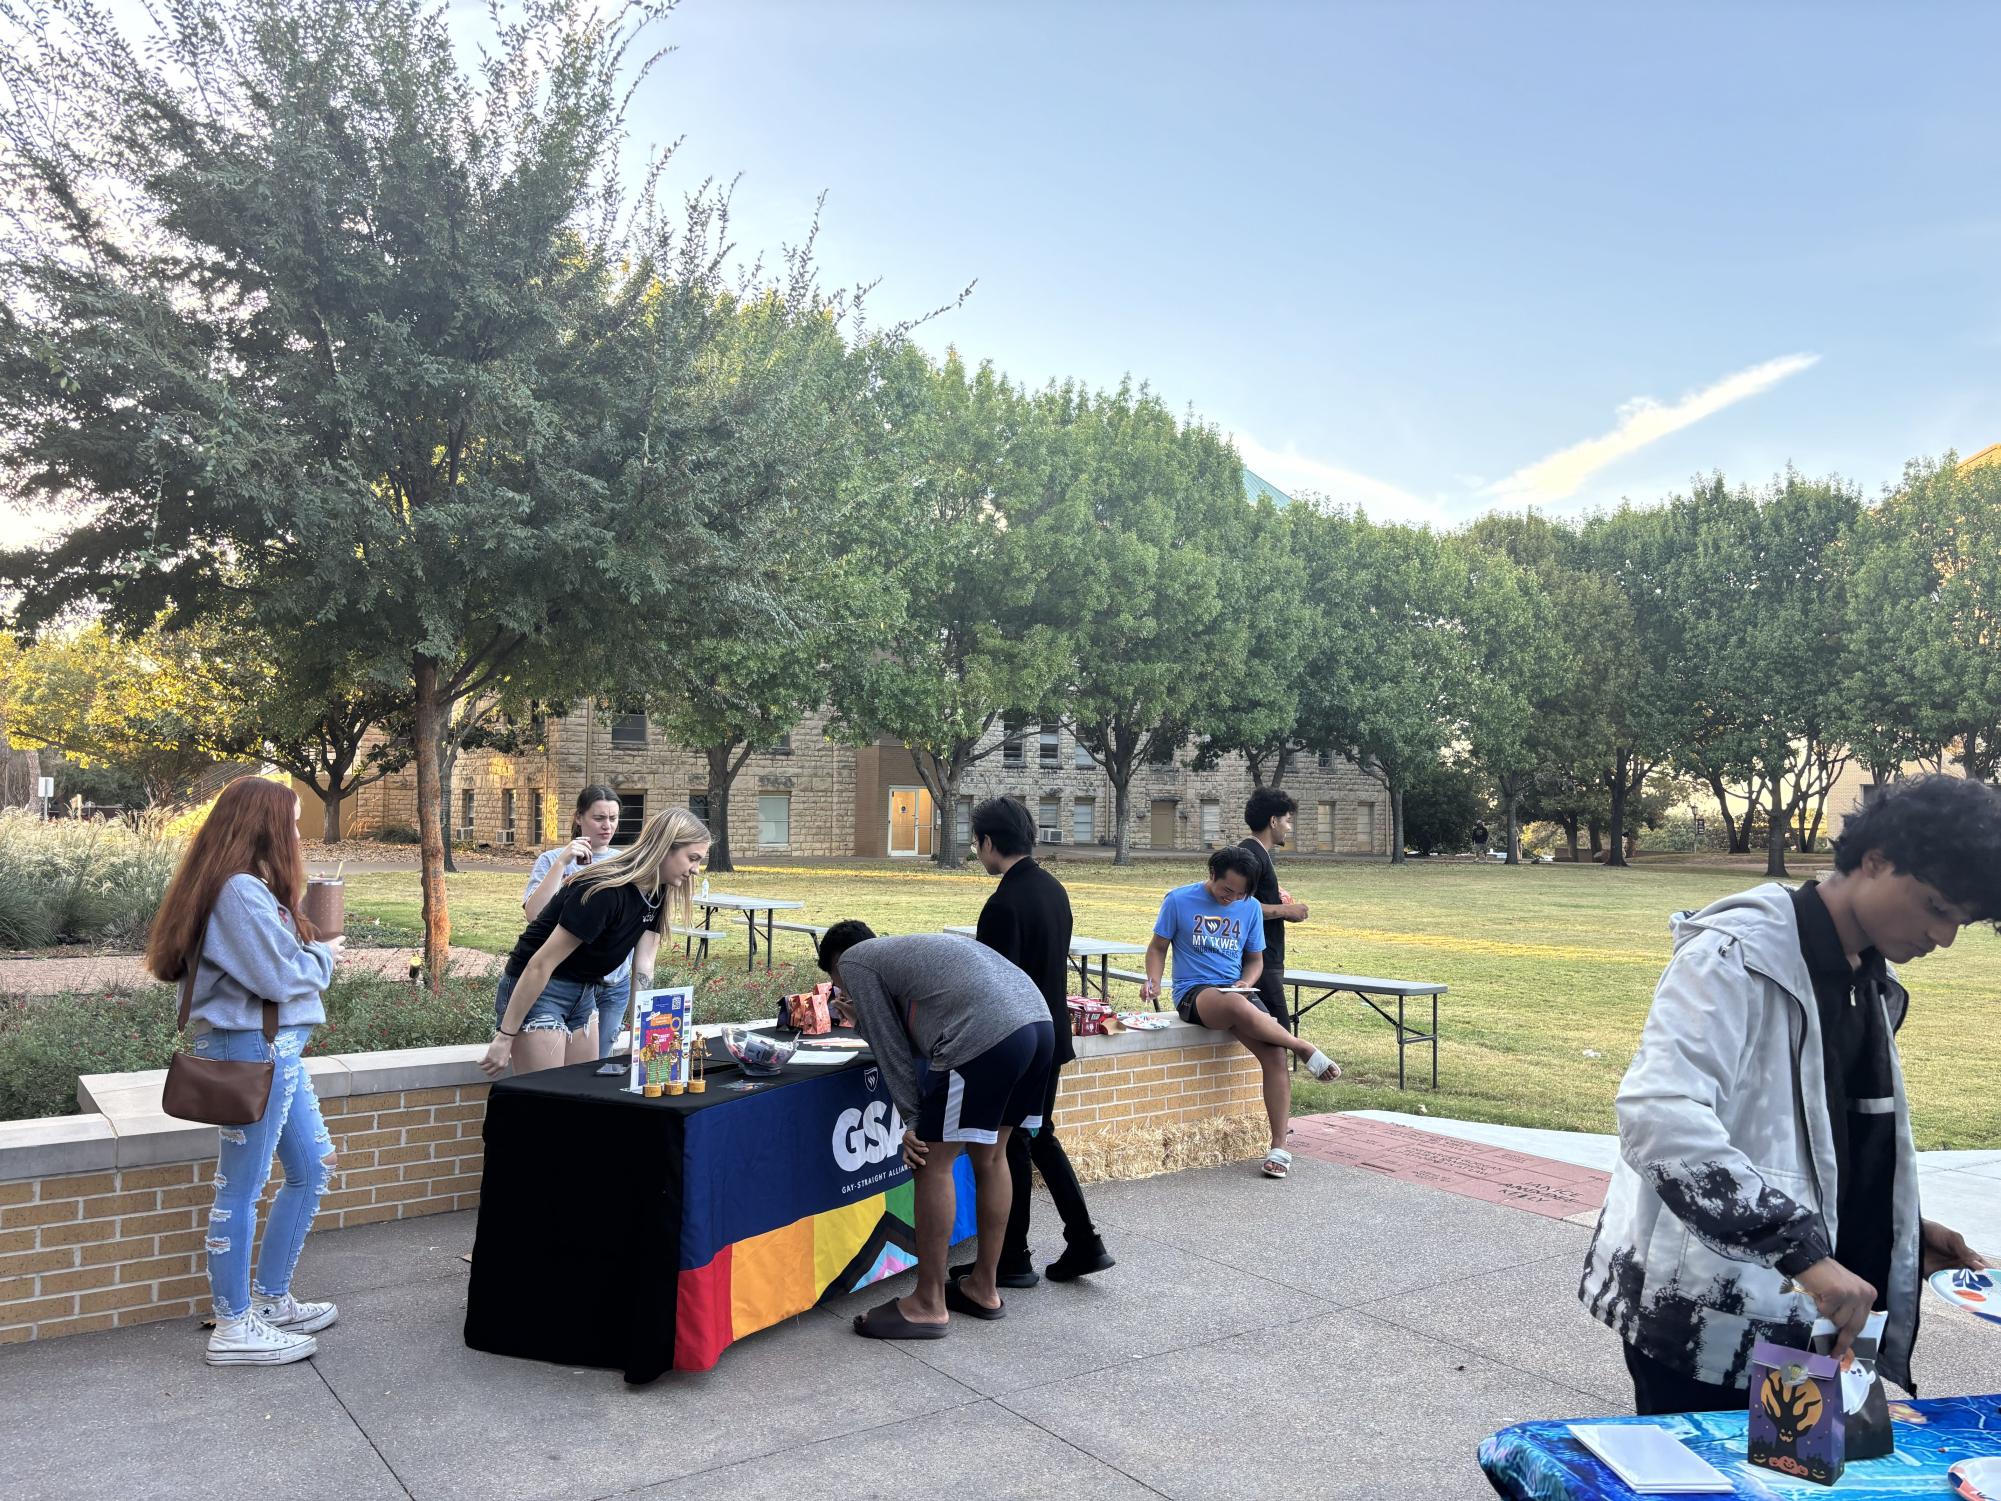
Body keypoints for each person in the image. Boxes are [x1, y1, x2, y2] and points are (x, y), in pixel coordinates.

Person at [1580, 774, 2001, 1416]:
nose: (1943, 937)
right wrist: (1800, 1251)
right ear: (1874, 860)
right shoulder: (1734, 955)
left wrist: (1899, 1234)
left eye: (1962, 922)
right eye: (1936, 907)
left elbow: (1814, 1143)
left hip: (1808, 1324)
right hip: (1709, 1318)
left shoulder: (1869, 982)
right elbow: (1658, 1116)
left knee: (1803, 1481)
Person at [143, 777, 347, 1367]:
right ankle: (233, 1324)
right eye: (288, 820)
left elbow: (277, 965)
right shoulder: (238, 891)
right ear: (261, 825)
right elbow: (280, 976)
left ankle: (271, 1300)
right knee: (242, 1185)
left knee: (311, 1168)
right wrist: (325, 954)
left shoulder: (244, 887)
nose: (295, 832)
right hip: (253, 1048)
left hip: (275, 1049)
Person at [817, 924, 1054, 1338]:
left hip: (985, 1035)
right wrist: (865, 1019)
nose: (844, 992)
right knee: (992, 1156)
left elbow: (890, 1049)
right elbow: (918, 1036)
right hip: (1038, 1026)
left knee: (930, 1163)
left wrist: (913, 1121)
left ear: (838, 963)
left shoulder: (856, 961)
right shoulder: (910, 953)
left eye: (839, 986)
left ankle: (927, 1303)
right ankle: (983, 1287)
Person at [948, 796, 1113, 1289]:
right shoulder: (1052, 889)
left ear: (990, 843)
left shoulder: (1003, 903)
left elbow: (995, 986)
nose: (978, 854)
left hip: (1016, 1039)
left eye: (977, 844)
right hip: (1051, 1035)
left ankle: (1013, 1257)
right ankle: (1082, 1240)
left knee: (1011, 1144)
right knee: (1035, 1136)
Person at [1140, 846, 1340, 1181]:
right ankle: (1302, 1046)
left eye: (1241, 893)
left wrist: (1245, 983)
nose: (1231, 898)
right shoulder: (1178, 900)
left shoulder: (1248, 908)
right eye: (1226, 890)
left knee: (1274, 1054)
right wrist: (1153, 980)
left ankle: (1279, 1147)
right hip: (1196, 993)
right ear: (1212, 875)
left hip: (1238, 992)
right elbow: (1158, 947)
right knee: (1235, 1006)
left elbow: (1255, 960)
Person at [479, 807, 709, 1080]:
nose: (695, 870)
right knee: (546, 1100)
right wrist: (505, 1037)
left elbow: (644, 967)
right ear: (664, 848)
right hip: (541, 989)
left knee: (582, 1094)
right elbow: (541, 963)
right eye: (692, 858)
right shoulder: (604, 891)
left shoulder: (657, 892)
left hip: (585, 992)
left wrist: (641, 1036)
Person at [522, 784, 628, 1060]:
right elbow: (534, 914)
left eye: (613, 818)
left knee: (599, 1063)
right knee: (559, 1069)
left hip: (613, 984)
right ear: (579, 818)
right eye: (599, 818)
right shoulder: (552, 860)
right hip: (565, 980)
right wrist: (562, 862)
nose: (607, 826)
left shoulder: (627, 864)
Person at [1239, 786, 1311, 1036]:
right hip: (1260, 960)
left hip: (1266, 958)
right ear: (1273, 821)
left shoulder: (1257, 853)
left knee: (1271, 1034)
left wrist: (1276, 896)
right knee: (1280, 1033)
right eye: (1287, 821)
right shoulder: (1250, 854)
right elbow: (1241, 905)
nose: (1288, 828)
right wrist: (1286, 909)